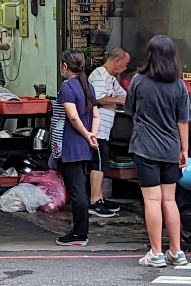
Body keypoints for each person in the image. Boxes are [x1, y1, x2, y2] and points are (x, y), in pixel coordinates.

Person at [126, 34, 191, 269]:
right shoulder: (179, 85)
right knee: (170, 200)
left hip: (145, 148)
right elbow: (183, 121)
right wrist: (184, 148)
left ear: (150, 55)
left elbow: (130, 111)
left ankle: (155, 252)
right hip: (171, 149)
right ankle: (177, 251)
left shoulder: (138, 81)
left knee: (152, 200)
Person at [51, 49, 100, 247]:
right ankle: (79, 230)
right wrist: (92, 134)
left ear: (65, 66)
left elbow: (72, 116)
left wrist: (86, 134)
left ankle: (80, 233)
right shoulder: (87, 86)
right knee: (80, 188)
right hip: (84, 145)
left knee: (77, 190)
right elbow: (95, 116)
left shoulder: (67, 87)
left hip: (70, 144)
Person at [88, 47, 130, 218]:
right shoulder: (100, 75)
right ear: (117, 61)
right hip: (96, 130)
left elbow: (125, 95)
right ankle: (94, 201)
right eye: (125, 64)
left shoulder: (111, 79)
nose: (126, 68)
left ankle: (100, 197)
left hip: (104, 130)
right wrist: (119, 100)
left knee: (103, 163)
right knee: (97, 164)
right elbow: (99, 98)